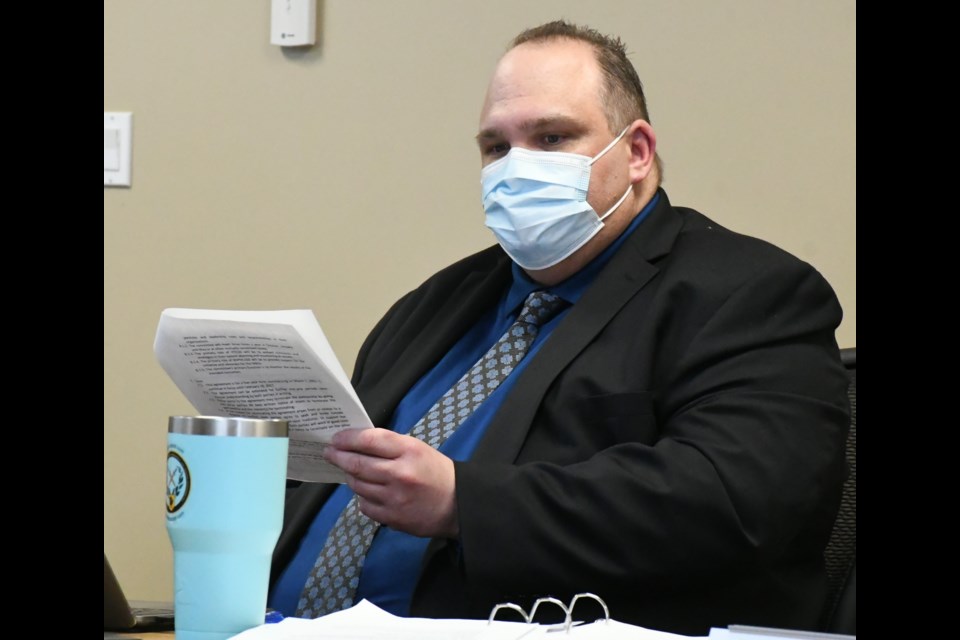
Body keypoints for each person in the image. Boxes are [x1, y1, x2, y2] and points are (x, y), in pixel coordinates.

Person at [268, 20, 849, 636]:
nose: (517, 167)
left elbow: (734, 505)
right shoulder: (432, 306)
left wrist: (462, 502)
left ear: (636, 152)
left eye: (552, 137)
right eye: (496, 147)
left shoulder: (749, 293)